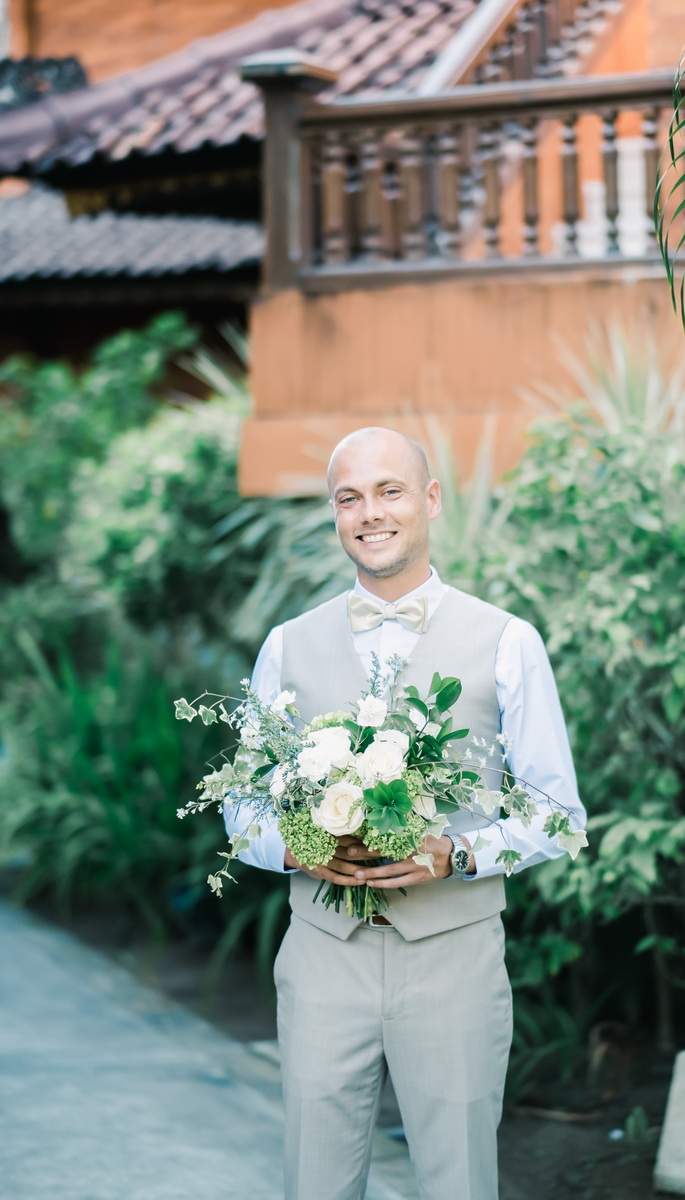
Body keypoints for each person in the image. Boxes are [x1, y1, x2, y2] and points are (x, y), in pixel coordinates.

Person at [225, 426, 585, 1200]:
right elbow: (242, 803)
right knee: (315, 1184)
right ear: (335, 514)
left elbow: (559, 813)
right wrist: (293, 847)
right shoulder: (287, 645)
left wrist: (459, 854)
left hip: (454, 959)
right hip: (322, 956)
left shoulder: (508, 641)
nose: (370, 512)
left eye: (389, 491)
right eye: (348, 497)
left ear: (430, 500)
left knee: (460, 1184)